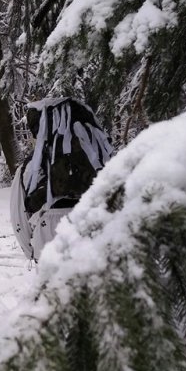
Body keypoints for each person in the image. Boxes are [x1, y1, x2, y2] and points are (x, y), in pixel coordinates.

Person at [10, 97, 112, 261]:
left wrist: (31, 252)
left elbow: (19, 218)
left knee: (55, 285)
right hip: (93, 225)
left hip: (47, 231)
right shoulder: (98, 156)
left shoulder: (31, 166)